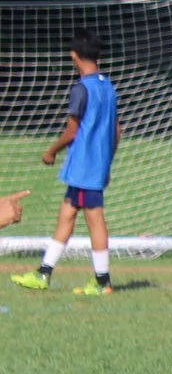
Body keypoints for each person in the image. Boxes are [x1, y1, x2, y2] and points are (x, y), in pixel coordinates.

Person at [13, 35, 119, 296]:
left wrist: (50, 152)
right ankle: (43, 273)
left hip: (83, 166)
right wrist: (106, 164)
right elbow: (117, 130)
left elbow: (72, 131)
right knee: (66, 216)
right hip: (94, 166)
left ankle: (102, 281)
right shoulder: (108, 86)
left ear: (74, 56)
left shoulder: (82, 88)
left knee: (94, 220)